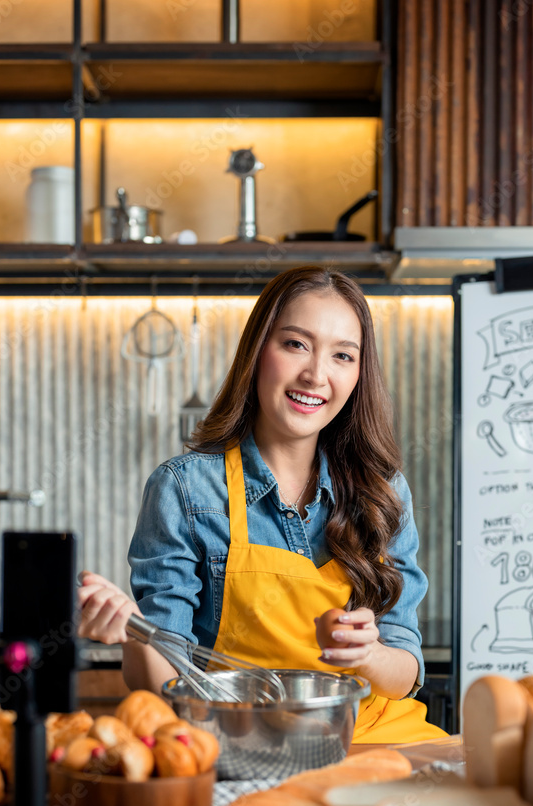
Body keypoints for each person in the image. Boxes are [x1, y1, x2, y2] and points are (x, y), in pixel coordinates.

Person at [78, 265, 447, 743]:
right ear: (258, 351)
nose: (316, 375)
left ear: (359, 374)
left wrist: (369, 655)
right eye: (296, 344)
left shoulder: (384, 491)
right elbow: (165, 681)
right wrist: (131, 630)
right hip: (245, 745)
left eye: (342, 355)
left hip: (375, 740)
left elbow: (405, 668)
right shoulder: (186, 490)